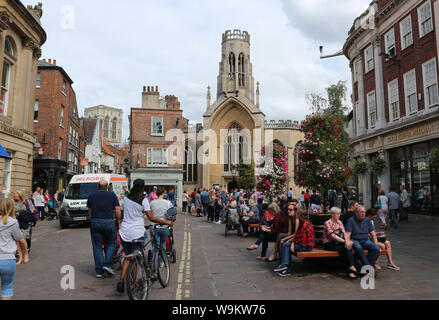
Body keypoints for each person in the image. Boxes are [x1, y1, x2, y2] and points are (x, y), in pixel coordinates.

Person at [87, 180, 121, 278]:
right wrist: (118, 220)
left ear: (98, 186)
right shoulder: (112, 195)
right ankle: (106, 265)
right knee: (112, 242)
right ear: (107, 187)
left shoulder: (91, 196)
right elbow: (117, 210)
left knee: (97, 246)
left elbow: (90, 211)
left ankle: (98, 271)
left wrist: (94, 217)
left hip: (95, 221)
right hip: (108, 221)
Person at [0, 199, 29, 300]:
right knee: (6, 289)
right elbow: (21, 240)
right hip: (7, 260)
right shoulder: (12, 222)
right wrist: (25, 254)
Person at [274, 208, 315, 276]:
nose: (296, 215)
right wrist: (292, 243)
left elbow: (303, 242)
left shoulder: (305, 225)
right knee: (286, 245)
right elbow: (297, 235)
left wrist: (292, 244)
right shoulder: (302, 223)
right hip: (303, 244)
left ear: (300, 215)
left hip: (307, 246)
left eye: (297, 213)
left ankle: (286, 266)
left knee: (286, 245)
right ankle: (286, 267)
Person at [322, 207, 357, 279]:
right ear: (332, 214)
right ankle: (351, 268)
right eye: (337, 214)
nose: (339, 215)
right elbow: (333, 236)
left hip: (339, 242)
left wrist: (347, 241)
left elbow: (344, 233)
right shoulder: (327, 223)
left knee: (348, 247)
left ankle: (350, 269)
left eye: (339, 214)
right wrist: (345, 241)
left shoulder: (339, 222)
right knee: (346, 249)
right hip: (329, 243)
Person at [149, 187, 174, 254]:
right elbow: (172, 214)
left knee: (155, 244)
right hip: (164, 226)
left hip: (154, 226)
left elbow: (149, 214)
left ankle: (154, 259)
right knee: (163, 243)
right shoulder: (168, 203)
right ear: (163, 193)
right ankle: (162, 261)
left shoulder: (151, 203)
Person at [13, 190, 36, 263]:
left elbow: (33, 210)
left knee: (22, 240)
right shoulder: (12, 202)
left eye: (14, 193)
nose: (13, 195)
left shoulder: (26, 201)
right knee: (17, 241)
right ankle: (20, 258)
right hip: (15, 223)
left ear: (19, 195)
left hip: (24, 223)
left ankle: (26, 254)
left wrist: (21, 213)